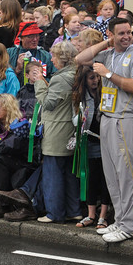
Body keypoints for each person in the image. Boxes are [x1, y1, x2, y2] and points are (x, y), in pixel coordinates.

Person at [76, 17, 133, 243]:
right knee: (113, 174)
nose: (126, 36)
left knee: (126, 174)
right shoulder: (109, 53)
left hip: (126, 118)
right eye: (121, 33)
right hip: (107, 117)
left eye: (129, 32)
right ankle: (120, 220)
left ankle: (131, 226)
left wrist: (108, 74)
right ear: (111, 34)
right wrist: (106, 43)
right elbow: (79, 58)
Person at [35, 41, 80, 223]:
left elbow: (48, 104)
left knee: (53, 174)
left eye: (54, 56)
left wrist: (39, 83)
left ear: (62, 58)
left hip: (56, 131)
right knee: (69, 174)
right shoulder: (74, 74)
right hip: (69, 130)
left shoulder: (60, 78)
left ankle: (54, 213)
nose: (51, 59)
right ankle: (74, 210)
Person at [72, 66, 110, 230]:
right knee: (91, 178)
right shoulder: (80, 97)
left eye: (97, 77)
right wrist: (79, 119)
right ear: (84, 80)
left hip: (106, 142)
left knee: (105, 180)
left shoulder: (105, 93)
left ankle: (103, 216)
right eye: (91, 78)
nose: (95, 81)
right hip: (89, 142)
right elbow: (74, 119)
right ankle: (91, 214)